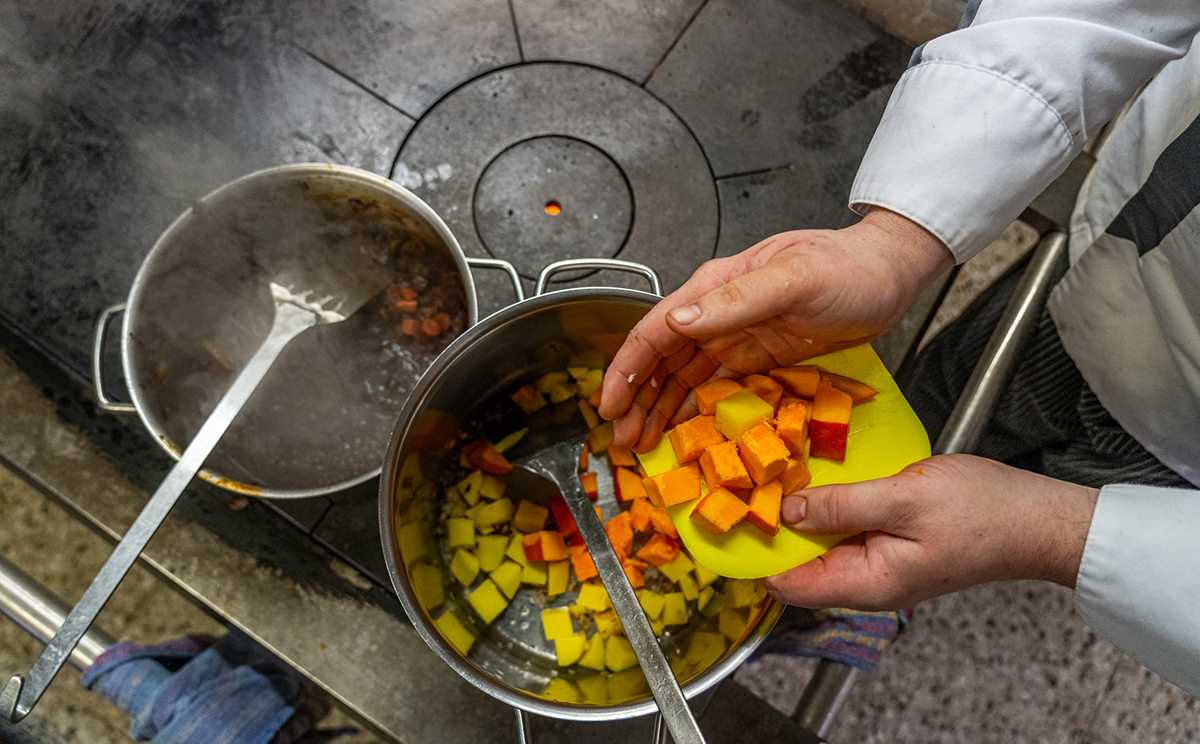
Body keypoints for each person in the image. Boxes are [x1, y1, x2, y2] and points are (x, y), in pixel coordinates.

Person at [597, 2, 1200, 696]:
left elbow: (1074, 537)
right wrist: (892, 245)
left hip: (1183, 468)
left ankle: (881, 595)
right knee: (938, 399)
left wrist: (1059, 538)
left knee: (962, 510)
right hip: (1122, 264)